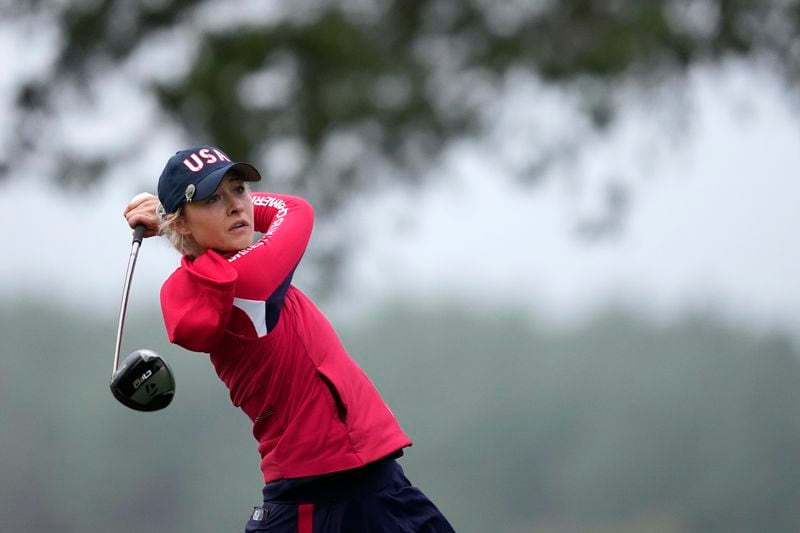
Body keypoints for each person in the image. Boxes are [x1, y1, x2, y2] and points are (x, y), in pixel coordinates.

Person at [124, 145, 455, 533]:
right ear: (182, 223)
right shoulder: (250, 278)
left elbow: (212, 245)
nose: (236, 207)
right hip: (317, 495)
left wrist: (172, 216)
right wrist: (167, 215)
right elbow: (296, 210)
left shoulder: (214, 278)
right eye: (214, 198)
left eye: (239, 190)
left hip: (368, 481)